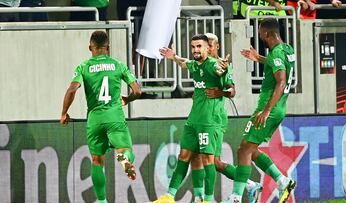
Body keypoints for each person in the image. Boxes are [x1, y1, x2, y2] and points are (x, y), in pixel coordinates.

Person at [60, 31, 141, 203]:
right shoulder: (118, 65)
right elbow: (137, 91)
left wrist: (64, 112)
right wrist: (127, 99)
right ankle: (124, 159)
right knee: (125, 150)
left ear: (90, 48)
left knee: (97, 160)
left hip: (95, 120)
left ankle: (102, 201)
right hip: (115, 117)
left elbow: (72, 89)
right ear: (108, 47)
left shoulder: (83, 67)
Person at [222, 18, 296, 203]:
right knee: (251, 149)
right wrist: (259, 58)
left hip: (269, 108)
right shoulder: (287, 49)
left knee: (244, 150)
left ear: (268, 33)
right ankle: (282, 181)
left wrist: (266, 110)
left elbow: (281, 80)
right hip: (279, 108)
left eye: (261, 33)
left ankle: (236, 197)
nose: (260, 36)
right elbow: (277, 64)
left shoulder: (277, 52)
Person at [152, 34, 229, 203]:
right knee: (183, 156)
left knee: (208, 160)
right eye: (193, 46)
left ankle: (208, 200)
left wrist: (222, 75)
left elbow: (230, 88)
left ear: (208, 48)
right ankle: (170, 196)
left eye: (199, 46)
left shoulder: (214, 65)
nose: (195, 50)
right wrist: (173, 57)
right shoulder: (195, 65)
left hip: (208, 121)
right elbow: (185, 63)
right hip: (193, 121)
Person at [189, 33, 262, 203]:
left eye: (210, 45)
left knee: (208, 160)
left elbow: (233, 91)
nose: (207, 47)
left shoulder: (222, 66)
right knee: (212, 161)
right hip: (203, 117)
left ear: (215, 47)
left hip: (214, 119)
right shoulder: (201, 66)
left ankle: (205, 198)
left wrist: (220, 92)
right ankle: (249, 185)